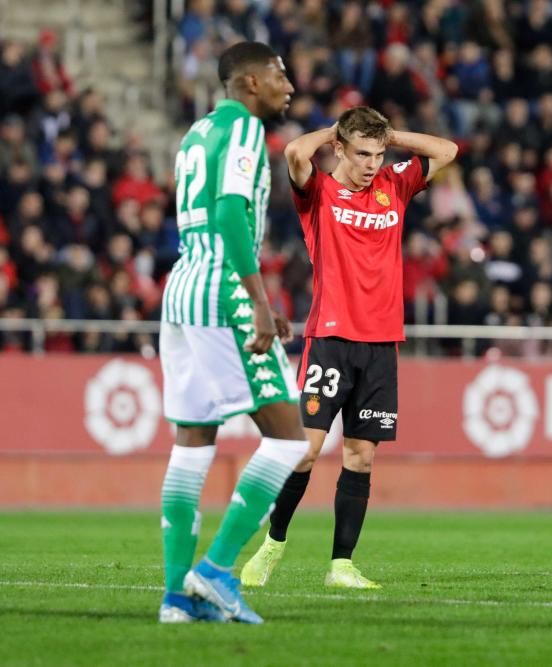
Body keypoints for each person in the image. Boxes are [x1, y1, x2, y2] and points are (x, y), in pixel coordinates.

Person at [240, 106, 458, 589]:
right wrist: (339, 130)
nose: (372, 164)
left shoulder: (394, 186)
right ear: (338, 147)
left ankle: (341, 565)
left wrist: (391, 134)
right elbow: (296, 150)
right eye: (362, 153)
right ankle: (273, 545)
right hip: (332, 339)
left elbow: (448, 151)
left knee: (361, 456)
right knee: (306, 452)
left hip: (382, 343)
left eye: (379, 155)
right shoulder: (317, 191)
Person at [157, 42, 307, 624]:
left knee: (193, 442)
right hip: (223, 293)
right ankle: (216, 571)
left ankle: (176, 598)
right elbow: (227, 214)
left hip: (183, 292)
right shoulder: (245, 130)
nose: (288, 83)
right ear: (248, 82)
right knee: (290, 438)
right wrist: (259, 302)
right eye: (278, 72)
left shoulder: (196, 135)